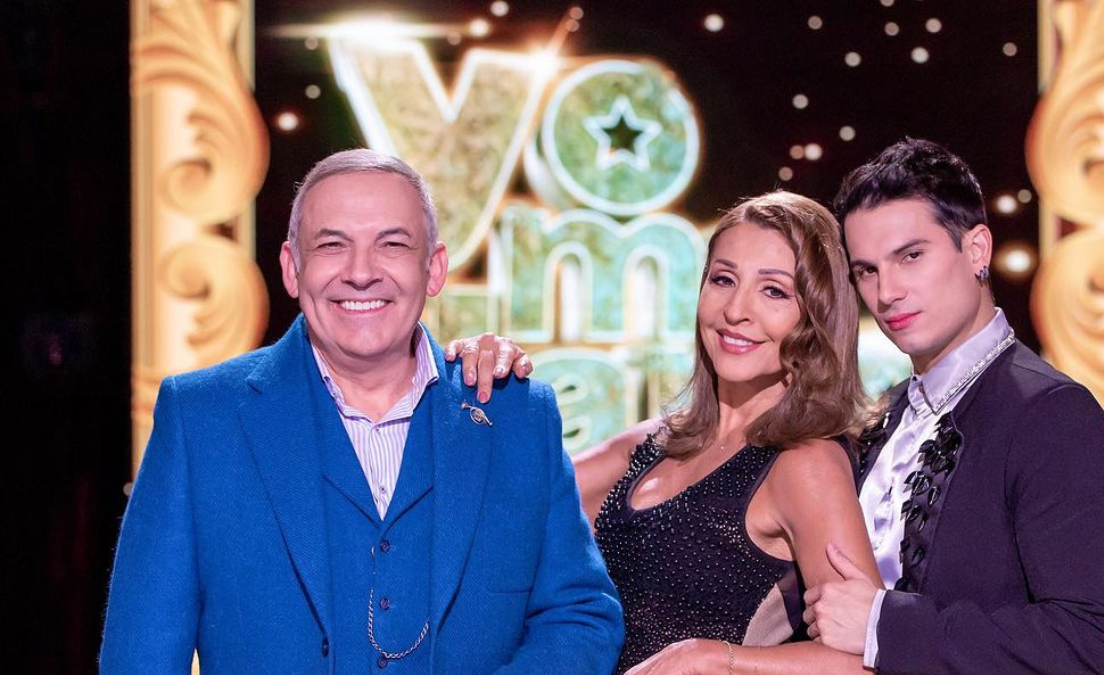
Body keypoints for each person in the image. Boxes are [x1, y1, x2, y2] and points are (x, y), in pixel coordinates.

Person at [99, 149, 622, 674]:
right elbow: (139, 658)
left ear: (434, 268)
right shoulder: (200, 419)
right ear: (292, 268)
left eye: (392, 244)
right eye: (332, 245)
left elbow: (579, 616)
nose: (361, 273)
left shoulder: (517, 416)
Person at [802, 138, 1104, 675]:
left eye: (911, 256)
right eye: (867, 270)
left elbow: (1092, 642)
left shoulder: (1052, 416)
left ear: (977, 249)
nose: (887, 293)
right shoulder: (886, 418)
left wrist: (883, 626)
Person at [573, 191, 882, 674]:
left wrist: (714, 658)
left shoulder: (806, 463)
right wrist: (481, 370)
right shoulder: (650, 445)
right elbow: (507, 502)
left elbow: (861, 662)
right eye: (723, 279)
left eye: (774, 291)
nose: (736, 310)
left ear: (816, 315)